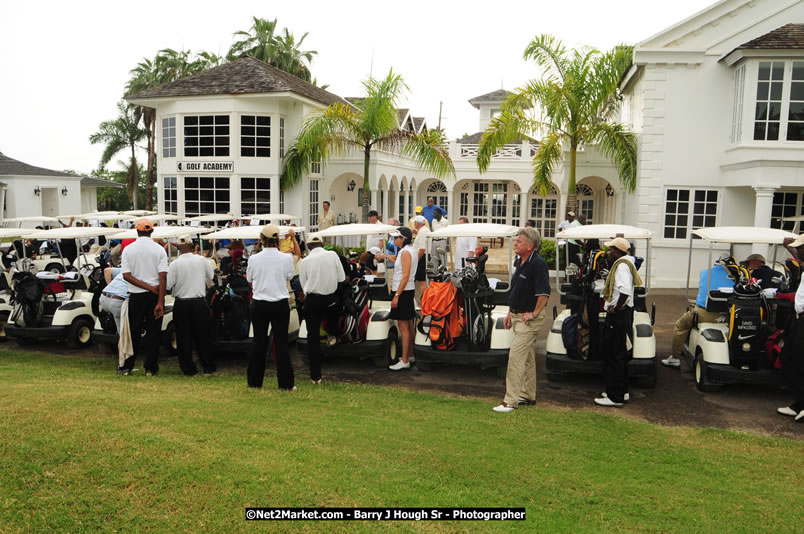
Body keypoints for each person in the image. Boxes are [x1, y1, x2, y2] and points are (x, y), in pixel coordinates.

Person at [494, 228, 550, 412]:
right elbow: (517, 290)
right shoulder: (521, 261)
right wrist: (511, 312)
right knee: (527, 358)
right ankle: (527, 395)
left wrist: (533, 314)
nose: (516, 243)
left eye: (519, 241)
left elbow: (544, 294)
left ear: (530, 245)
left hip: (529, 319)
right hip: (518, 315)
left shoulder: (538, 264)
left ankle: (510, 401)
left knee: (516, 357)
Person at [246, 224, 295, 390]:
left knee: (258, 342)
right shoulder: (286, 258)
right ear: (277, 239)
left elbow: (250, 278)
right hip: (280, 302)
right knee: (281, 343)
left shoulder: (254, 258)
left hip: (259, 302)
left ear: (262, 239)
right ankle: (286, 383)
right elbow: (289, 275)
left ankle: (254, 382)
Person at [662, 254, 733, 368]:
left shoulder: (705, 272)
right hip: (728, 315)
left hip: (705, 314)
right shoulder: (735, 276)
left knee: (680, 325)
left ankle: (675, 358)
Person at [594, 237, 641, 407]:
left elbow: (625, 291)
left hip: (618, 315)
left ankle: (615, 396)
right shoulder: (626, 264)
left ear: (619, 252)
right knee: (620, 354)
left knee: (613, 354)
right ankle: (622, 391)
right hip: (625, 315)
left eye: (611, 249)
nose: (608, 252)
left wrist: (615, 308)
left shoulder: (621, 266)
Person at [118, 219, 168, 376]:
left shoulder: (128, 250)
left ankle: (127, 366)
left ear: (136, 231)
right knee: (154, 332)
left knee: (133, 331)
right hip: (154, 295)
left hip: (136, 296)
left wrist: (147, 287)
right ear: (151, 231)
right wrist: (160, 300)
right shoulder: (159, 249)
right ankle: (150, 368)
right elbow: (163, 277)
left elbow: (126, 275)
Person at [298, 235, 345, 383]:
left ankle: (315, 376)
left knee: (312, 337)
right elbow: (341, 278)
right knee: (336, 309)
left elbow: (303, 285)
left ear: (308, 246)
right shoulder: (332, 255)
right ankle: (332, 334)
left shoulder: (305, 261)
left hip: (312, 299)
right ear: (322, 244)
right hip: (330, 299)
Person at [167, 236, 216, 377]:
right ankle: (208, 366)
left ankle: (189, 369)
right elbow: (210, 275)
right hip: (198, 301)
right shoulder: (201, 260)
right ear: (191, 245)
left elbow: (169, 285)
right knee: (203, 336)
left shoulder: (174, 264)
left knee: (183, 337)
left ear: (178, 248)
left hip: (182, 302)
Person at [778, 234, 804, 422]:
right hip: (797, 318)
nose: (798, 250)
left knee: (798, 361)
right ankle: (799, 404)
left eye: (800, 247)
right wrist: (789, 248)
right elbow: (799, 258)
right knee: (787, 358)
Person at [388, 227, 418, 370]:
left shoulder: (405, 252)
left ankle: (405, 360)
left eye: (396, 237)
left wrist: (397, 296)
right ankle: (410, 354)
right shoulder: (408, 251)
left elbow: (405, 276)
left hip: (403, 291)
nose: (393, 239)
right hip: (406, 290)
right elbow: (402, 269)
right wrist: (388, 257)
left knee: (403, 326)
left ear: (403, 239)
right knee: (409, 323)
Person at [100, 265, 129, 335]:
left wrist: (111, 287)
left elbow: (106, 271)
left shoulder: (125, 268)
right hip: (117, 302)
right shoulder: (141, 273)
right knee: (123, 337)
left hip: (103, 298)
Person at [412, 215, 431, 304]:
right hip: (423, 256)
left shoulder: (423, 232)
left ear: (418, 223)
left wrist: (416, 260)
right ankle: (424, 299)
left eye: (415, 223)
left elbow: (422, 249)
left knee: (421, 281)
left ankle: (425, 300)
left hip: (422, 257)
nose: (414, 224)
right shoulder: (423, 230)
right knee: (421, 280)